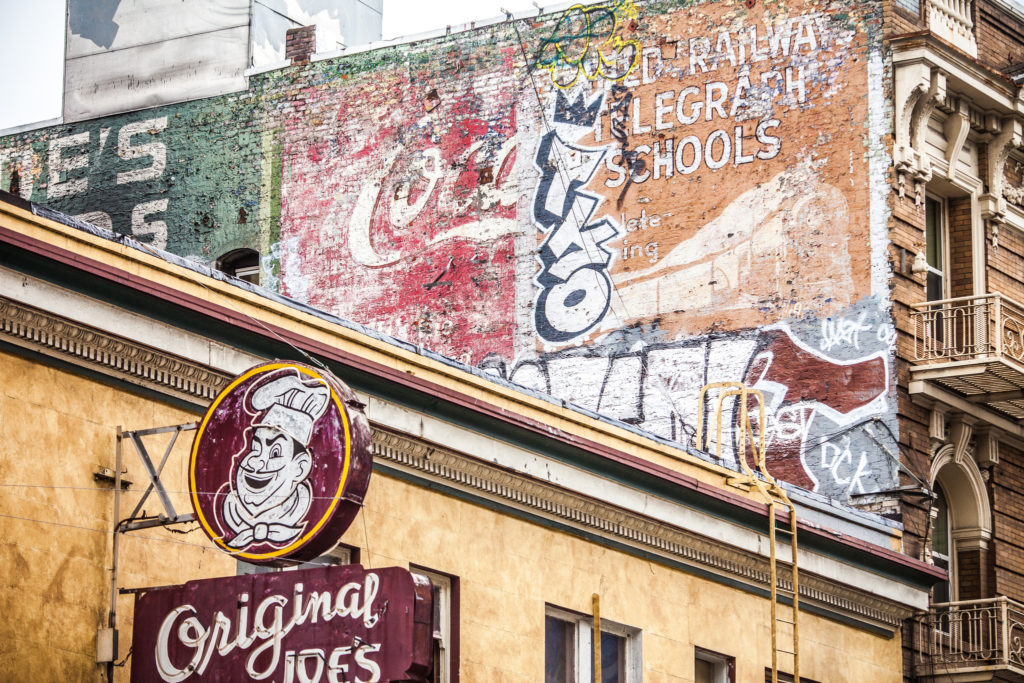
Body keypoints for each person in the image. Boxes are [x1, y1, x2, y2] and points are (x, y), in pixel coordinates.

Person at [218, 369, 331, 550]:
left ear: (300, 468)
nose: (258, 463)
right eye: (255, 448)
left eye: (276, 453)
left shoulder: (300, 513)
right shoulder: (231, 508)